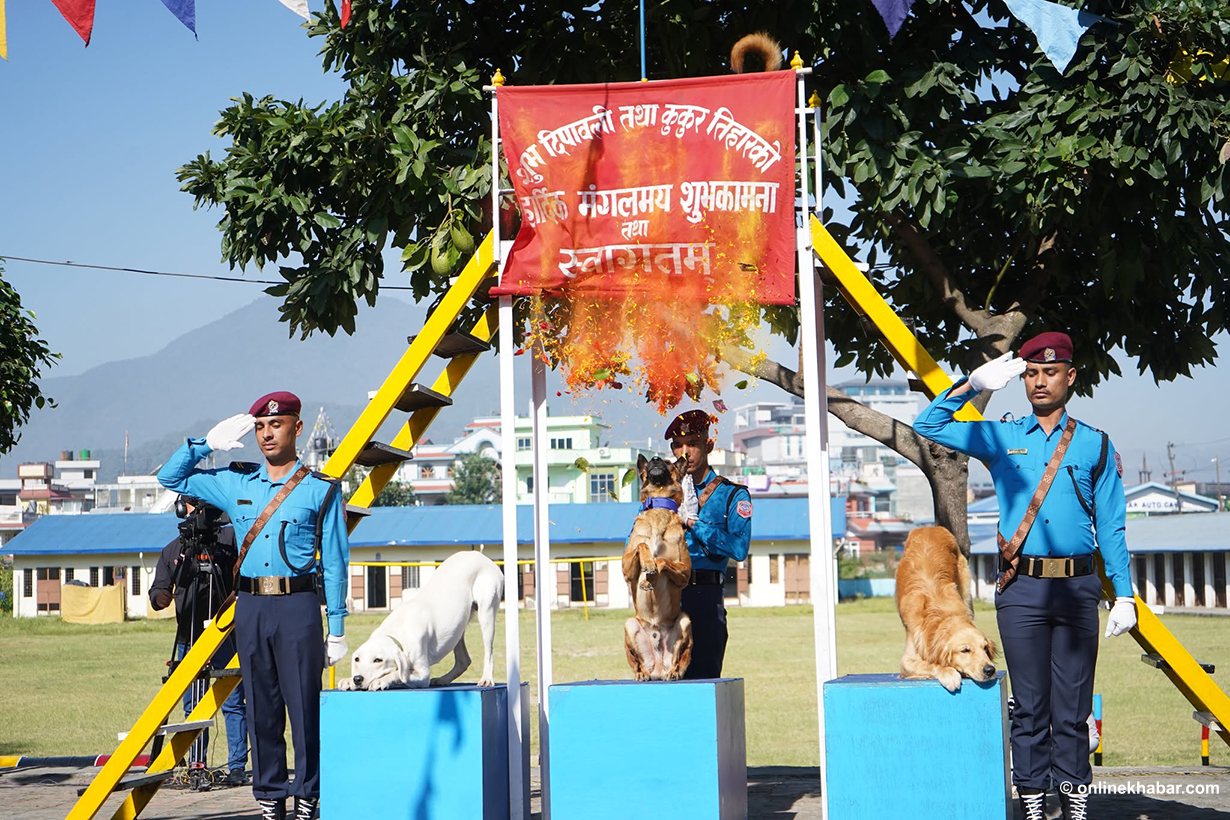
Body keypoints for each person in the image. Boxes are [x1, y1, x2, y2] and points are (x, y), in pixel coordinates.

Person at [912, 332, 1137, 820]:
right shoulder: (1002, 436)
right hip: (1022, 588)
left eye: (1050, 372)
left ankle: (1074, 799)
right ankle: (1032, 799)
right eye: (1031, 373)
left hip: (1077, 588)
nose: (1039, 381)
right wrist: (972, 385)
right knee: (1029, 705)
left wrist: (1125, 595)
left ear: (1070, 377)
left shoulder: (1095, 444)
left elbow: (1111, 526)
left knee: (1072, 707)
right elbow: (928, 424)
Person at [157, 391, 350, 820]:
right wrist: (205, 445)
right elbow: (171, 478)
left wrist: (336, 627)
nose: (266, 434)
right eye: (260, 426)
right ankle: (270, 797)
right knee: (261, 707)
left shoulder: (320, 490)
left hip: (298, 605)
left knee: (304, 707)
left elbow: (336, 562)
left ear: (297, 428)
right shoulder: (236, 482)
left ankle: (308, 795)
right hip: (250, 606)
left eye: (276, 425)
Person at [148, 499, 249, 788]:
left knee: (233, 701)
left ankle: (237, 767)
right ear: (181, 510)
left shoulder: (228, 540)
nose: (198, 511)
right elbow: (158, 590)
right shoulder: (174, 550)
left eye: (201, 504)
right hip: (188, 637)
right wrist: (159, 598)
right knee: (193, 704)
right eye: (192, 505)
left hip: (225, 634)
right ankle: (196, 764)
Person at [667, 409, 752, 679]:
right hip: (667, 596)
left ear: (709, 445)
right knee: (662, 686)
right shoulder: (664, 492)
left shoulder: (732, 494)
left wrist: (693, 523)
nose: (685, 453)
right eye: (678, 445)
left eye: (692, 444)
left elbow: (739, 549)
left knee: (704, 681)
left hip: (705, 596)